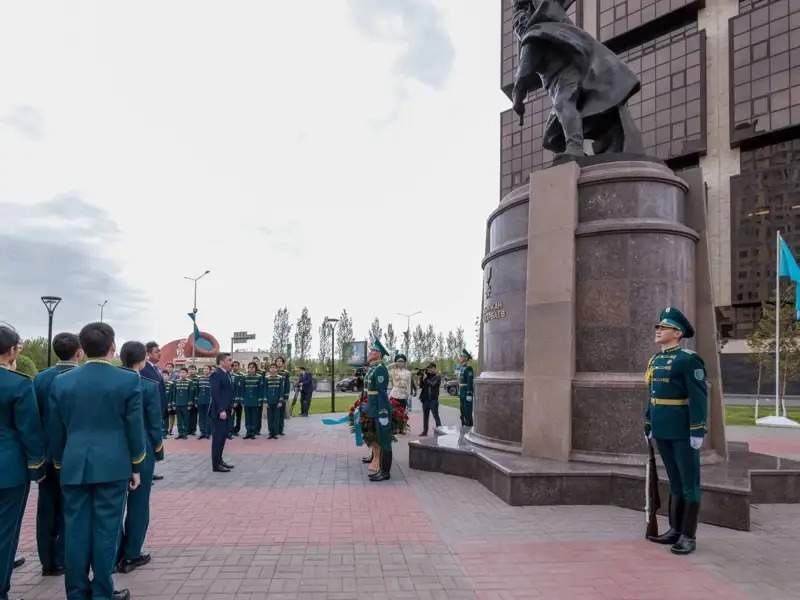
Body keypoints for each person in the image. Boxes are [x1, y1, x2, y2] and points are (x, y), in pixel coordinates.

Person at [49, 322, 145, 600]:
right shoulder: (127, 380)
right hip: (113, 465)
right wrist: (136, 465)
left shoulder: (62, 381)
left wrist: (59, 462)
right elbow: (133, 429)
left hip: (74, 463)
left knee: (76, 530)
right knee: (107, 530)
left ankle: (76, 592)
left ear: (82, 348)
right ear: (112, 347)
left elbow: (56, 430)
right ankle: (103, 591)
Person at [644, 307, 707, 556]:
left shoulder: (688, 359)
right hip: (662, 428)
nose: (658, 330)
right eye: (658, 326)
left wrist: (697, 430)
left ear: (678, 333)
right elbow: (653, 396)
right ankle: (674, 529)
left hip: (682, 430)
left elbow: (699, 397)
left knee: (690, 483)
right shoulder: (655, 360)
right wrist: (648, 422)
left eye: (664, 327)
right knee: (675, 482)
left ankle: (688, 536)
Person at [0, 326, 46, 600]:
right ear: (11, 351)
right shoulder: (17, 383)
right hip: (8, 468)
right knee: (5, 533)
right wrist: (37, 467)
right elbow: (30, 430)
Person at [33, 332, 83, 577]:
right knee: (69, 507)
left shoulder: (40, 378)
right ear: (79, 352)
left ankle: (46, 560)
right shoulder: (80, 378)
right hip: (72, 453)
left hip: (45, 453)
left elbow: (32, 419)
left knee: (45, 507)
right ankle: (62, 557)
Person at [117, 342, 164, 574]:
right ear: (142, 360)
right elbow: (155, 424)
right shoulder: (147, 386)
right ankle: (132, 554)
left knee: (114, 505)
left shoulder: (112, 383)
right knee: (138, 503)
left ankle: (115, 552)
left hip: (114, 450)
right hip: (142, 450)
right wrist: (158, 450)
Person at [366, 340, 392, 482]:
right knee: (380, 439)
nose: (371, 352)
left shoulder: (381, 369)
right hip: (374, 409)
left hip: (380, 410)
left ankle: (385, 472)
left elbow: (382, 393)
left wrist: (382, 412)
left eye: (373, 351)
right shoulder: (375, 368)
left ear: (379, 354)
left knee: (385, 441)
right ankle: (382, 469)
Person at [142, 342, 166, 481]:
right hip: (149, 414)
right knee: (149, 442)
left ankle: (150, 471)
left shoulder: (156, 369)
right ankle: (146, 472)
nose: (160, 353)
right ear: (148, 354)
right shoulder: (144, 369)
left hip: (158, 411)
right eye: (157, 351)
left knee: (153, 442)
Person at [209, 353, 235, 472]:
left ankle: (220, 460)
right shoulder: (216, 375)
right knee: (218, 438)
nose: (231, 362)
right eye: (229, 360)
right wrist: (221, 410)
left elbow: (228, 393)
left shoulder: (227, 374)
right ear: (221, 362)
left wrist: (230, 406)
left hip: (227, 410)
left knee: (223, 437)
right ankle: (215, 464)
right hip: (220, 412)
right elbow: (216, 394)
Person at [419, 363, 443, 436]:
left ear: (435, 369)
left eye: (431, 368)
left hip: (433, 400)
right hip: (425, 400)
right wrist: (421, 378)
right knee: (425, 416)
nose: (429, 369)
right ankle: (425, 431)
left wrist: (426, 378)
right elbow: (421, 386)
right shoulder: (427, 377)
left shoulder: (437, 377)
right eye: (429, 368)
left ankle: (440, 431)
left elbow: (433, 384)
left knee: (436, 416)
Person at [242, 362, 264, 439]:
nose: (251, 369)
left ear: (255, 369)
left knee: (254, 417)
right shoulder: (244, 377)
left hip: (255, 400)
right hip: (247, 400)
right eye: (250, 367)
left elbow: (261, 390)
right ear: (248, 368)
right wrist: (242, 400)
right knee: (247, 417)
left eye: (253, 367)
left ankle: (253, 433)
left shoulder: (259, 377)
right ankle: (248, 432)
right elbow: (242, 389)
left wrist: (260, 400)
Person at [264, 363, 284, 439]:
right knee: (270, 417)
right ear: (269, 369)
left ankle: (275, 433)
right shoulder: (266, 378)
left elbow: (281, 390)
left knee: (276, 417)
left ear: (276, 369)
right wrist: (265, 401)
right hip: (269, 401)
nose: (272, 369)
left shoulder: (280, 378)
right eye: (271, 367)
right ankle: (270, 432)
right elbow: (265, 390)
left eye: (274, 368)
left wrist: (280, 401)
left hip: (277, 401)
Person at [173, 368, 192, 439]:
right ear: (179, 374)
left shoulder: (189, 382)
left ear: (187, 374)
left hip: (185, 404)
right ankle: (180, 433)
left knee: (185, 420)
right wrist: (174, 404)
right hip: (178, 404)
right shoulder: (176, 382)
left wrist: (189, 404)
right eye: (181, 372)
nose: (182, 374)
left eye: (184, 372)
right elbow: (174, 393)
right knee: (179, 420)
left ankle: (185, 433)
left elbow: (190, 394)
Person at [457, 350, 475, 427]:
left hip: (466, 393)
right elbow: (460, 382)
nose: (460, 358)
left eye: (461, 356)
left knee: (467, 411)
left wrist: (469, 393)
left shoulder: (469, 368)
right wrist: (459, 392)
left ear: (465, 358)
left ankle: (469, 427)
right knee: (462, 411)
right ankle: (464, 426)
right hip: (462, 392)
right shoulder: (461, 368)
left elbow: (470, 382)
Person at [195, 366, 213, 439]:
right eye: (204, 369)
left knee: (208, 417)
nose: (205, 370)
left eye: (207, 369)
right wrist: (196, 400)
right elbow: (197, 390)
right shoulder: (199, 378)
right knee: (201, 417)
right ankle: (202, 432)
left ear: (210, 370)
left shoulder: (212, 379)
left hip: (209, 400)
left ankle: (208, 432)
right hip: (200, 400)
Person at [230, 361, 245, 439]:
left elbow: (242, 389)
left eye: (236, 365)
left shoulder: (242, 376)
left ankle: (237, 430)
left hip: (239, 400)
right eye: (233, 366)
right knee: (231, 415)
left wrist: (240, 400)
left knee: (239, 416)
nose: (235, 367)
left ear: (239, 367)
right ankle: (231, 430)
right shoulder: (230, 375)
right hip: (232, 400)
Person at [276, 357, 290, 432]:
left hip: (283, 396)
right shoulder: (273, 372)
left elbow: (287, 385)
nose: (279, 362)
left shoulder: (286, 373)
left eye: (280, 361)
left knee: (281, 413)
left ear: (283, 363)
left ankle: (280, 429)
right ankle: (274, 429)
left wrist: (286, 396)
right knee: (275, 414)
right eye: (277, 361)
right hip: (274, 396)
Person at [187, 365, 199, 436]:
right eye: (190, 369)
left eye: (193, 369)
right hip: (188, 400)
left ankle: (193, 430)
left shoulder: (198, 379)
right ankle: (187, 429)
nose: (191, 371)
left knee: (194, 416)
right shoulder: (186, 378)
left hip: (195, 400)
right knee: (187, 416)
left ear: (195, 370)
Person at [163, 370, 176, 436]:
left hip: (170, 403)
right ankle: (164, 429)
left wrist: (172, 404)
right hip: (163, 404)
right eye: (163, 375)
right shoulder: (159, 384)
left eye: (165, 375)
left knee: (171, 416)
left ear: (168, 376)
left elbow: (173, 394)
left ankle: (170, 429)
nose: (164, 377)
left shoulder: (172, 384)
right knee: (164, 417)